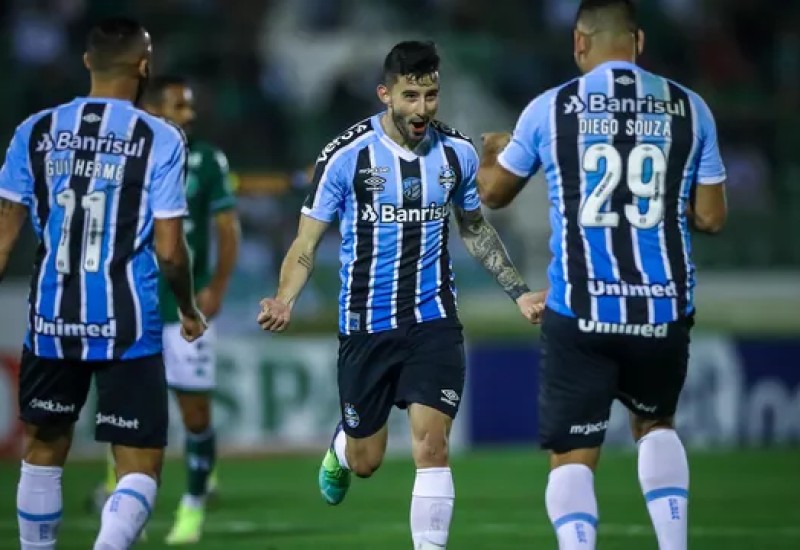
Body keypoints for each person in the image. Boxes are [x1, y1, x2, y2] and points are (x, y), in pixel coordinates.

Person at [257, 40, 543, 548]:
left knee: (432, 447)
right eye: (411, 96)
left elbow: (474, 228)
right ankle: (343, 449)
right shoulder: (346, 156)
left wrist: (517, 292)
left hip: (434, 320)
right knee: (368, 460)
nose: (422, 109)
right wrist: (285, 299)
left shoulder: (455, 152)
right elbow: (306, 239)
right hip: (367, 325)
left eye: (431, 96)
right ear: (385, 93)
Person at [477, 1, 727, 549]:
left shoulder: (551, 108)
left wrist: (493, 152)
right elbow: (710, 216)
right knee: (656, 425)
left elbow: (493, 194)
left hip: (582, 308)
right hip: (663, 304)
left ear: (579, 44)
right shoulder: (691, 107)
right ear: (637, 42)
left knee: (572, 456)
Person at [0, 17, 206, 550]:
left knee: (43, 450)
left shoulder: (35, 131)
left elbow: (2, 239)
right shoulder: (160, 138)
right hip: (127, 322)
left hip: (50, 320)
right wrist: (185, 306)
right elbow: (169, 251)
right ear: (145, 67)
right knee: (140, 464)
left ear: (87, 61)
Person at [91, 75, 240, 545]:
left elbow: (226, 229)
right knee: (120, 410)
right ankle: (119, 492)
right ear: (155, 111)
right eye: (180, 107)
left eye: (191, 107)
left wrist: (215, 285)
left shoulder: (206, 160)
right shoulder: (126, 157)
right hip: (131, 306)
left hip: (185, 310)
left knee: (195, 413)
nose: (189, 115)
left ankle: (193, 506)